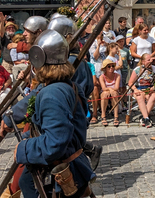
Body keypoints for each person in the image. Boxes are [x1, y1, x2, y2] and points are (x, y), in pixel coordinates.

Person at [12, 30, 96, 198]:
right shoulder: (67, 86)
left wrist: (23, 148)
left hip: (59, 176)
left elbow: (55, 143)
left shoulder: (52, 93)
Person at [129, 54, 155, 128]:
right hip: (139, 88)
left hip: (149, 89)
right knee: (139, 97)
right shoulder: (137, 70)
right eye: (148, 60)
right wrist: (135, 89)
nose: (150, 61)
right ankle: (146, 118)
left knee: (154, 96)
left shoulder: (154, 68)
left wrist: (154, 87)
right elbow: (130, 83)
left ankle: (144, 118)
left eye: (151, 60)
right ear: (143, 62)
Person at [99, 59, 121, 127]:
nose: (111, 67)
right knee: (104, 94)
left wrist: (111, 90)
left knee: (114, 93)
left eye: (112, 66)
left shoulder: (117, 75)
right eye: (109, 66)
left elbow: (117, 87)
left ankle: (116, 116)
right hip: (105, 92)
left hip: (114, 92)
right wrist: (110, 89)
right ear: (105, 68)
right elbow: (103, 88)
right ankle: (103, 115)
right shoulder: (101, 77)